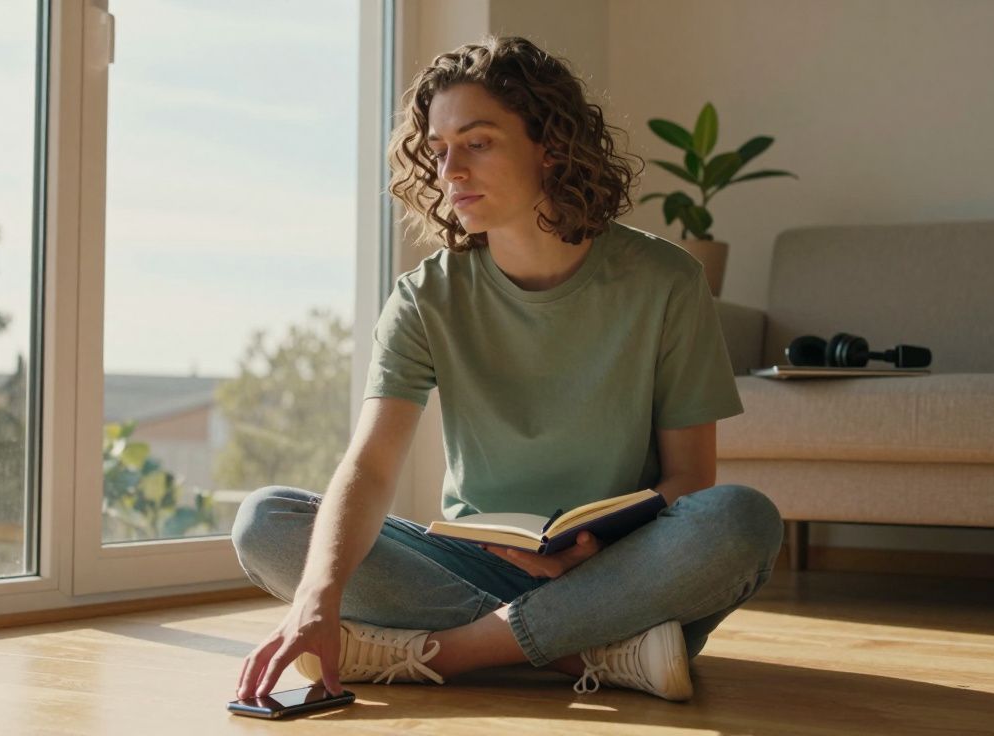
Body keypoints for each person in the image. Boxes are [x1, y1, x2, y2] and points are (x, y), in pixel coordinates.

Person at [231, 35, 784, 703]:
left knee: (740, 520)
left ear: (550, 144)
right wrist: (316, 600)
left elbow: (690, 479)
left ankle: (446, 653)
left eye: (478, 142)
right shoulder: (425, 297)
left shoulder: (667, 281)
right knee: (266, 521)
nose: (451, 170)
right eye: (439, 149)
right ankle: (595, 651)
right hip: (473, 563)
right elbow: (370, 466)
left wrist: (594, 550)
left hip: (617, 567)